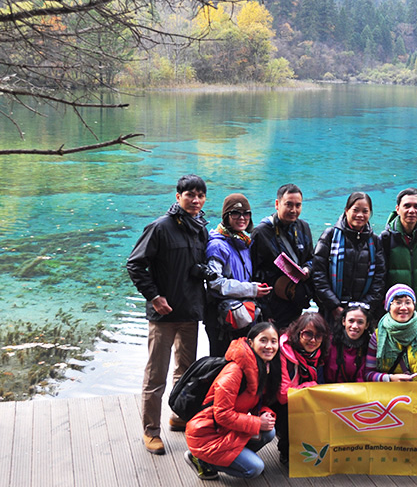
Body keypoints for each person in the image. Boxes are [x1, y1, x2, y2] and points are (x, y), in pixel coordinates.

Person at [126, 174, 209, 454]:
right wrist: (154, 296)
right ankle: (151, 431)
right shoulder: (160, 227)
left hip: (189, 313)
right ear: (178, 197)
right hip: (163, 316)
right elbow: (135, 264)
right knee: (155, 376)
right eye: (189, 195)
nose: (195, 200)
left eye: (200, 195)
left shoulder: (200, 228)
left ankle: (178, 416)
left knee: (186, 374)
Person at [184, 322, 281, 480]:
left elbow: (258, 401)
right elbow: (222, 414)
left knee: (269, 431)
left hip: (225, 430)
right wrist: (257, 423)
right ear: (251, 342)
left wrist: (265, 414)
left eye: (273, 341)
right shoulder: (235, 371)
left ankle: (233, 456)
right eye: (263, 340)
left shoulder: (262, 366)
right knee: (254, 469)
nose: (269, 346)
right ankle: (202, 460)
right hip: (206, 435)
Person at [205, 193, 272, 357]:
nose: (242, 218)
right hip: (222, 321)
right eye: (235, 213)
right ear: (226, 217)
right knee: (223, 366)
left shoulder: (244, 242)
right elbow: (215, 283)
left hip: (242, 316)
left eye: (246, 214)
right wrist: (251, 289)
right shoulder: (216, 245)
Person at [313, 192, 386, 322]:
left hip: (363, 314)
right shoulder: (329, 236)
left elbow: (379, 279)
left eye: (365, 211)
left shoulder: (374, 241)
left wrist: (363, 308)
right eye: (355, 210)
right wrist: (334, 306)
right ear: (346, 211)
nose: (360, 215)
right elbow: (318, 274)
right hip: (331, 311)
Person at [251, 184, 314, 330]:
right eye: (289, 205)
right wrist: (264, 309)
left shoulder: (303, 227)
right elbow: (253, 273)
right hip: (272, 304)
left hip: (295, 299)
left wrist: (307, 269)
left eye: (298, 205)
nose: (294, 210)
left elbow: (312, 258)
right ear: (277, 204)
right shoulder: (261, 233)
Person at [275, 312, 328, 465]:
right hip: (283, 403)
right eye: (308, 334)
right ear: (298, 333)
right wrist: (311, 387)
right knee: (287, 411)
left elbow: (322, 382)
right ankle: (285, 450)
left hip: (303, 396)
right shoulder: (284, 352)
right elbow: (283, 396)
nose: (313, 340)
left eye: (318, 336)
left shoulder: (319, 354)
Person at [364, 284, 417, 382]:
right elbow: (369, 374)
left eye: (408, 303)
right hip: (390, 395)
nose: (403, 308)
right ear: (388, 306)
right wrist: (390, 378)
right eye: (398, 303)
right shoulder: (378, 336)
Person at [381, 187, 417, 323]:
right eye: (407, 206)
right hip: (395, 313)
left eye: (416, 206)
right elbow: (380, 276)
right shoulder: (386, 238)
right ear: (397, 208)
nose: (411, 210)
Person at [326, 302, 374, 383]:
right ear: (343, 321)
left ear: (367, 325)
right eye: (351, 321)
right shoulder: (329, 343)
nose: (355, 326)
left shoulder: (371, 347)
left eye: (360, 322)